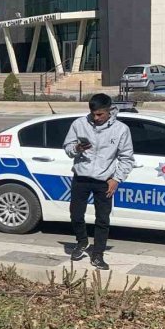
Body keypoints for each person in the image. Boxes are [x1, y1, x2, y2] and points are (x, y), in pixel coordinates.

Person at [63, 93, 134, 270]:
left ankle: (98, 254)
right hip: (81, 177)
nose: (96, 118)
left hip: (104, 180)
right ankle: (82, 241)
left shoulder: (121, 129)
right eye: (93, 114)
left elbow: (126, 158)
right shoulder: (79, 124)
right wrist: (77, 148)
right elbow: (67, 148)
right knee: (75, 215)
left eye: (100, 114)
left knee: (102, 219)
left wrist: (116, 179)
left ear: (109, 110)